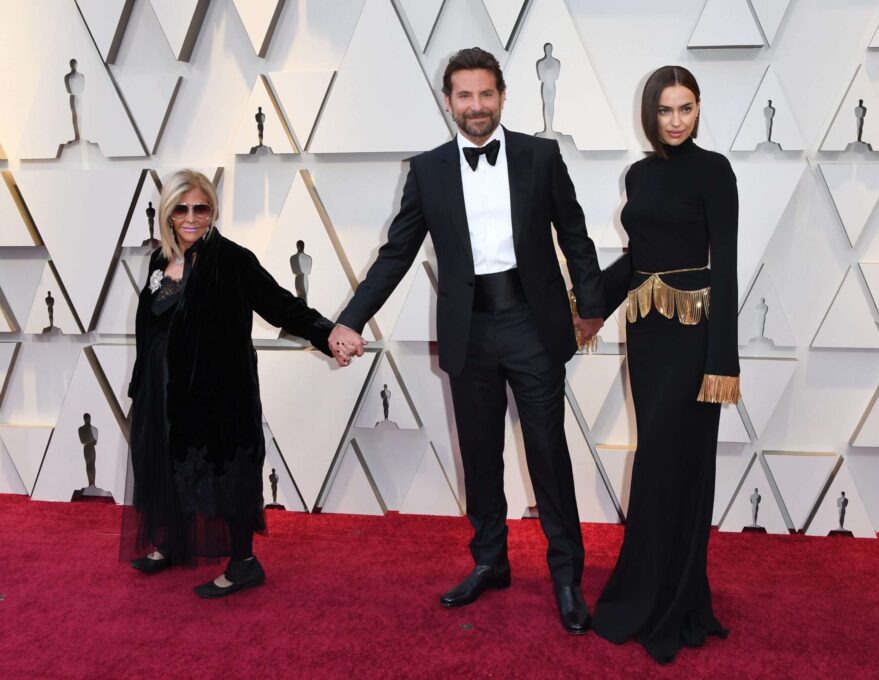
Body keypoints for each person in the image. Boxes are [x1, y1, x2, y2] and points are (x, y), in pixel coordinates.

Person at [330, 47, 605, 634]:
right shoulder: (427, 170)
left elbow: (575, 236)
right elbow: (396, 254)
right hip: (469, 330)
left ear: (502, 97)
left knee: (547, 455)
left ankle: (565, 575)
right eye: (464, 96)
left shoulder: (540, 155)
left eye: (485, 94)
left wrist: (593, 306)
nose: (475, 106)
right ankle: (490, 562)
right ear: (449, 101)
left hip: (532, 324)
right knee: (479, 456)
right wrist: (351, 319)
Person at [122, 169, 346, 598]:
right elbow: (147, 328)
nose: (191, 218)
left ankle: (244, 563)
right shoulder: (156, 261)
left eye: (201, 208)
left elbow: (282, 306)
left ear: (213, 211)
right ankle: (171, 543)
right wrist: (142, 385)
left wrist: (328, 332)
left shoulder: (232, 259)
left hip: (218, 391)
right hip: (163, 390)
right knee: (166, 465)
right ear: (167, 214)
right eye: (181, 209)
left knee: (230, 472)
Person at [592, 65, 740, 663]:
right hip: (647, 332)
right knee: (656, 459)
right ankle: (648, 590)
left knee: (669, 464)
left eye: (686, 108)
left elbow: (725, 266)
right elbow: (637, 259)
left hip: (694, 338)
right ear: (650, 114)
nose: (676, 120)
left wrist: (722, 362)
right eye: (665, 110)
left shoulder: (715, 171)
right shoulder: (639, 174)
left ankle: (671, 599)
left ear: (699, 109)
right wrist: (585, 301)